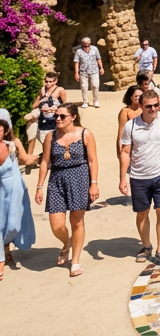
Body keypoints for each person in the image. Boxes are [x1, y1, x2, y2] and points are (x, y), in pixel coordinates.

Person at [119, 90, 160, 266]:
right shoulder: (131, 126)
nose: (153, 109)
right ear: (140, 106)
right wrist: (122, 178)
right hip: (139, 176)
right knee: (142, 213)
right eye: (149, 106)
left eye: (156, 105)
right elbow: (125, 152)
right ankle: (146, 245)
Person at [34, 103, 98, 277]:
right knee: (57, 225)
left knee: (77, 222)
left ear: (73, 117)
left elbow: (92, 161)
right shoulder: (50, 136)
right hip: (57, 179)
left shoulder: (85, 133)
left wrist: (94, 183)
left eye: (62, 116)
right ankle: (66, 243)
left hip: (79, 178)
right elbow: (45, 162)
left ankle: (75, 260)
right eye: (56, 116)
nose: (58, 119)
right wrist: (39, 187)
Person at [0, 109, 38, 280]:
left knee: (14, 221)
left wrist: (42, 157)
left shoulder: (14, 143)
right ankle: (5, 250)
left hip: (15, 187)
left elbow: (25, 159)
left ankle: (6, 246)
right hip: (1, 188)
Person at [26, 72, 65, 157]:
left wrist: (55, 109)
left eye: (50, 81)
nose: (48, 84)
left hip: (54, 119)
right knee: (43, 139)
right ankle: (43, 157)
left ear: (55, 81)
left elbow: (65, 105)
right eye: (46, 81)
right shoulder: (42, 90)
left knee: (53, 140)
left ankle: (50, 158)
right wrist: (41, 101)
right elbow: (34, 106)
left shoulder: (60, 90)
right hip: (43, 119)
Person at [72, 37, 104, 108]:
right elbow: (76, 62)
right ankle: (85, 101)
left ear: (90, 42)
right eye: (84, 43)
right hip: (83, 72)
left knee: (95, 85)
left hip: (94, 71)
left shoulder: (95, 49)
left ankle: (95, 101)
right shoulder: (79, 51)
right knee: (84, 87)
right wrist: (76, 73)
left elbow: (98, 58)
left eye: (87, 43)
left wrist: (101, 68)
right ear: (82, 43)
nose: (86, 44)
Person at [115, 85, 142, 160]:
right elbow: (121, 132)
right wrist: (120, 150)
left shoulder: (145, 109)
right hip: (131, 146)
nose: (139, 98)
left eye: (140, 96)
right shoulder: (125, 112)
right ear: (131, 97)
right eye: (136, 96)